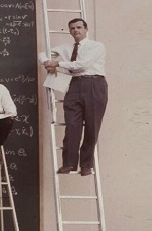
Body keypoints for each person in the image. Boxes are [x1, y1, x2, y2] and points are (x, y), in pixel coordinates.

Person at [39, 18, 108, 176]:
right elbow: (42, 54)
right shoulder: (66, 47)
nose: (76, 30)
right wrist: (47, 62)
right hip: (75, 85)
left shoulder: (96, 46)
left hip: (94, 84)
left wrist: (57, 64)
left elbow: (82, 65)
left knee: (92, 126)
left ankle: (86, 165)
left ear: (86, 29)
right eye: (72, 28)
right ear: (69, 31)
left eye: (79, 27)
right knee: (72, 125)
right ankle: (69, 163)